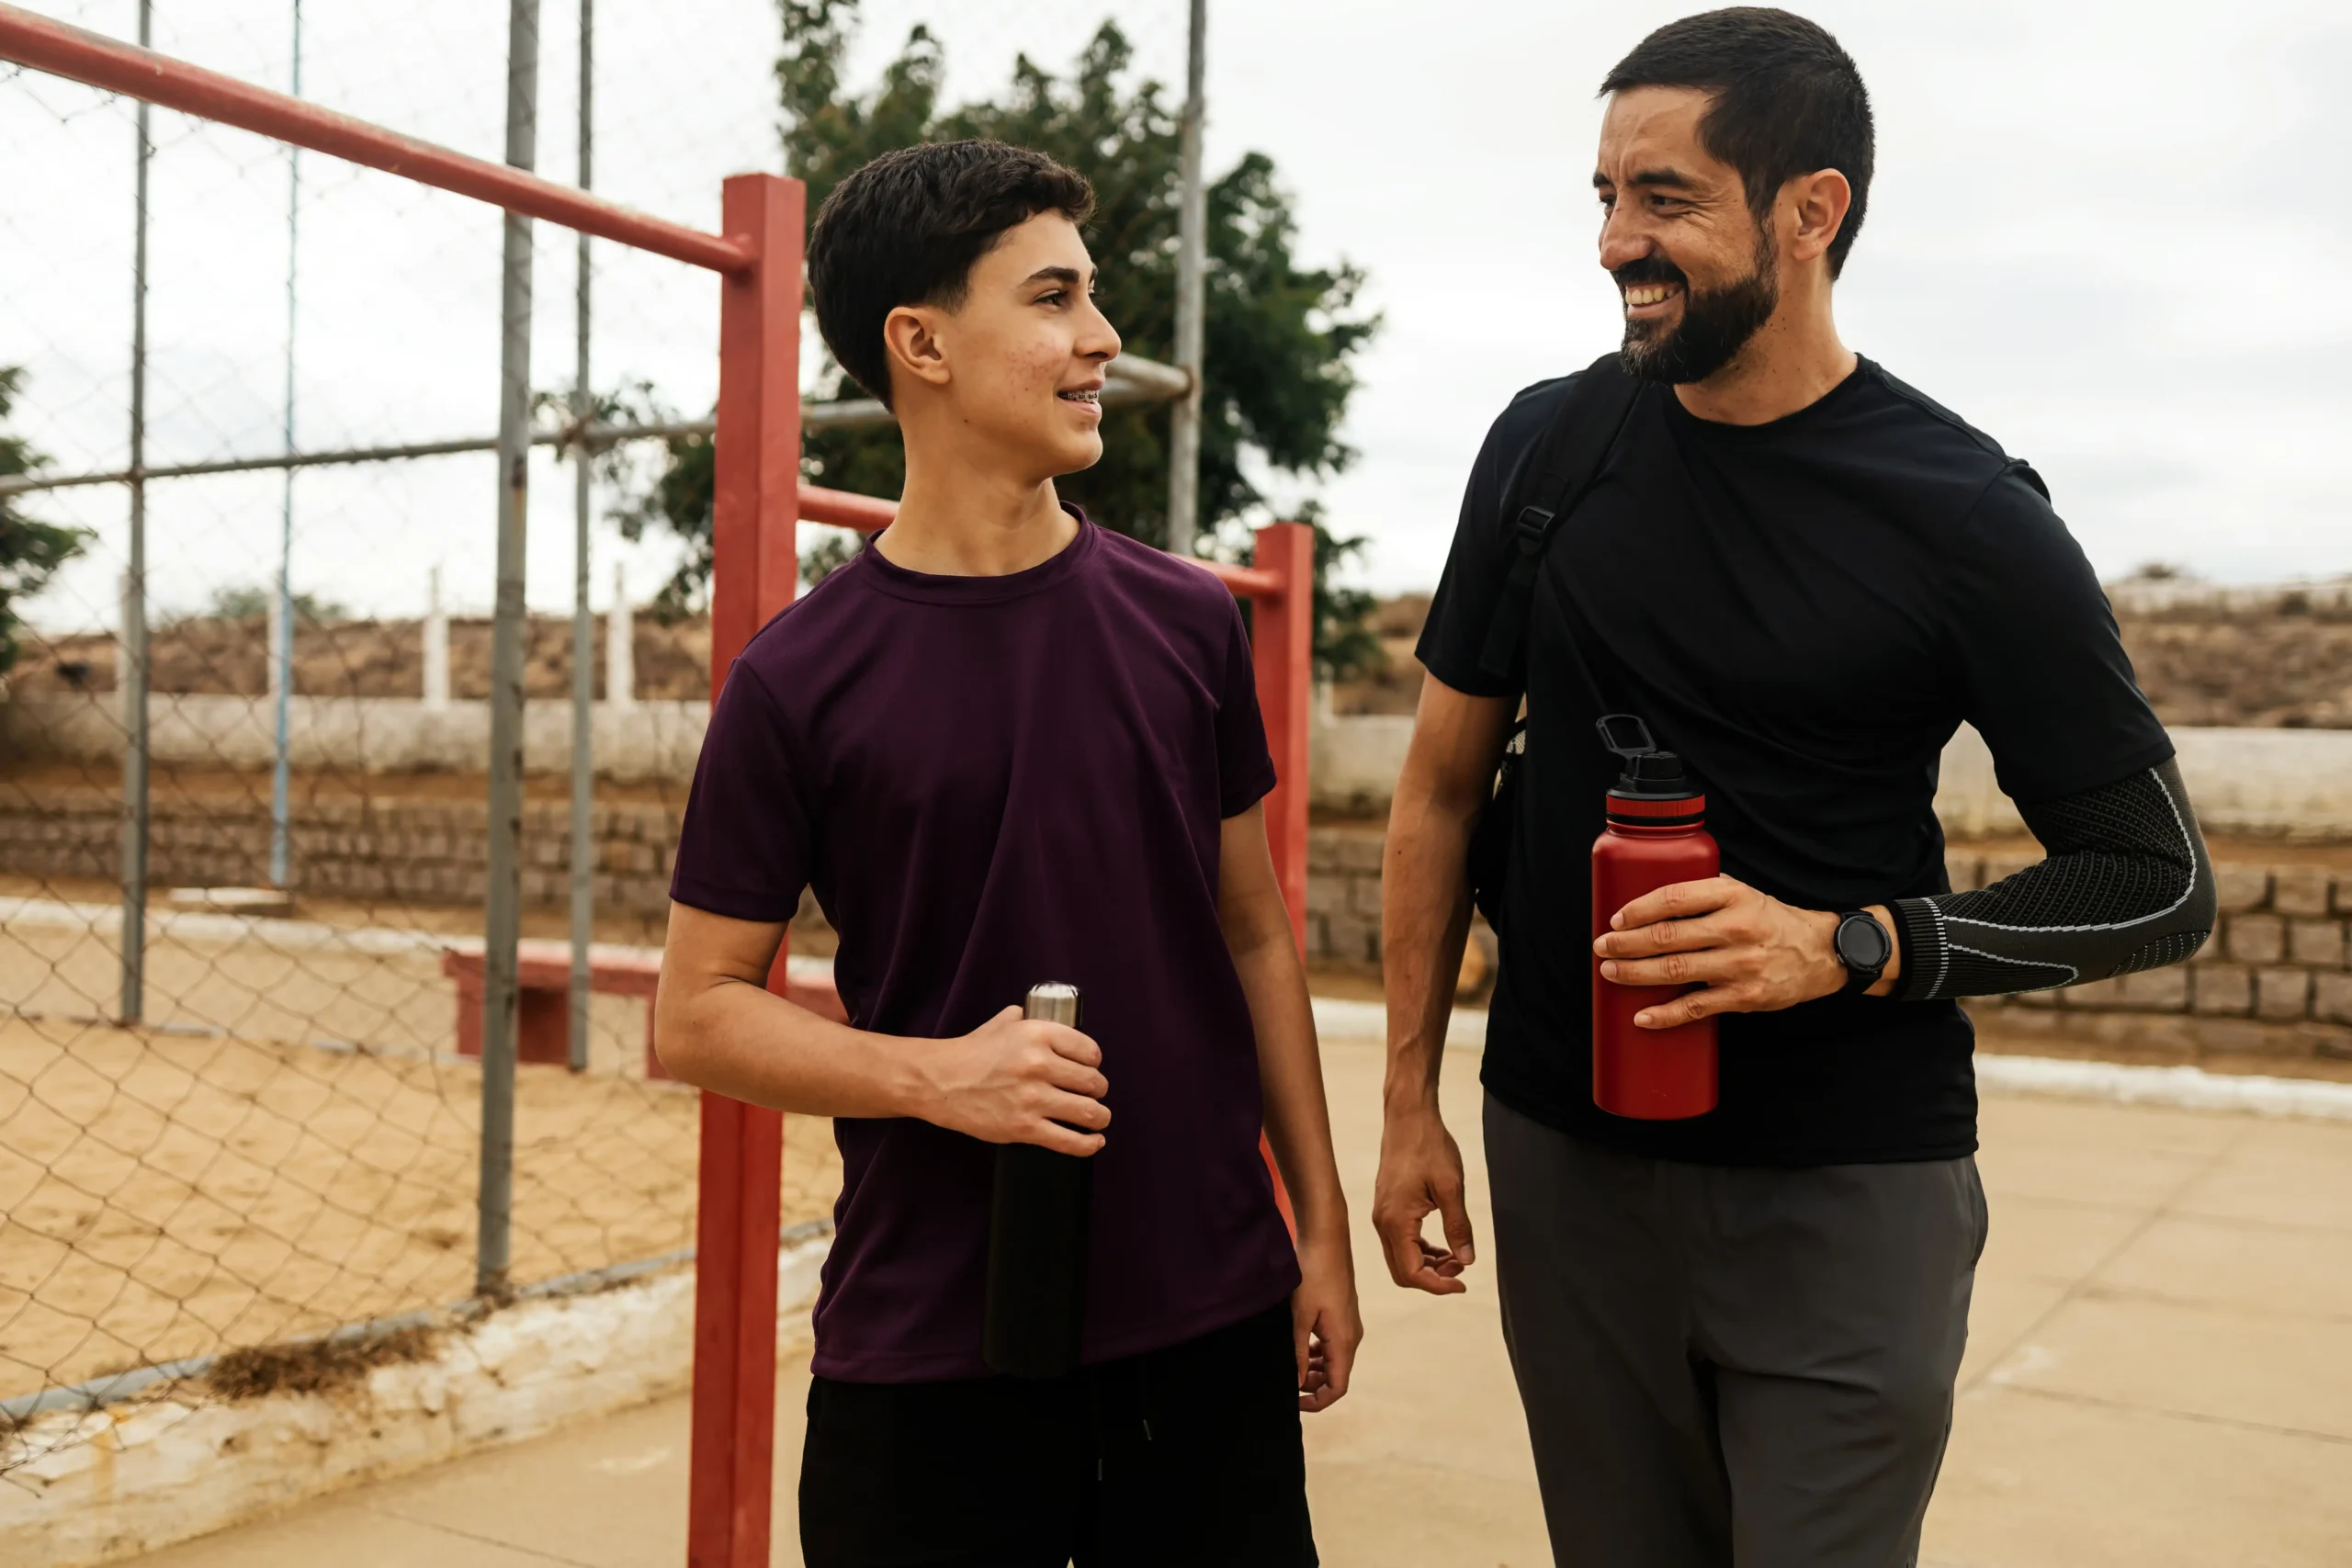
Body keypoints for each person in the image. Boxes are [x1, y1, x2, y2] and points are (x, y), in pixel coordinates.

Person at [1373, 10, 2216, 1567]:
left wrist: (1849, 942)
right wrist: (1409, 1099)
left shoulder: (1965, 514)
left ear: (1811, 211)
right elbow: (1434, 788)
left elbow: (2158, 879)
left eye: (1668, 198)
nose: (1620, 240)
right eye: (1605, 195)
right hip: (1565, 1160)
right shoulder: (1546, 449)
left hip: (1847, 1183)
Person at [655, 140, 1358, 1568]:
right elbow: (699, 1009)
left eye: (1094, 297)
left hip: (1208, 1322)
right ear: (920, 342)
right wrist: (939, 1075)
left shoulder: (1185, 623)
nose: (1101, 338)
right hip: (929, 1350)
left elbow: (1253, 929)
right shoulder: (796, 681)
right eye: (1052, 299)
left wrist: (1319, 1231)